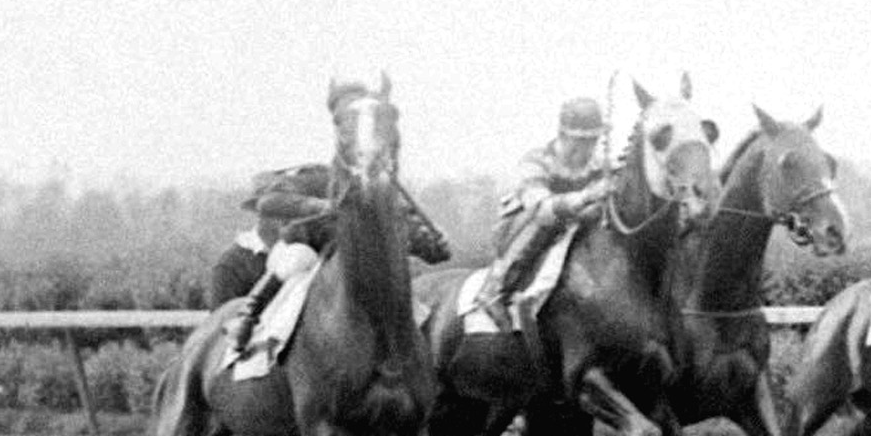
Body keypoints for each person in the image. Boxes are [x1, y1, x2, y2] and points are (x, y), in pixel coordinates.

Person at [218, 155, 450, 353]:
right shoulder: (311, 176)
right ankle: (248, 316)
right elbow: (269, 202)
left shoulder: (378, 187)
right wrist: (327, 206)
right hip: (306, 246)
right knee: (297, 259)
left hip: (352, 257)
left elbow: (406, 229)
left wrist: (432, 245)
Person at [477, 97, 615, 322]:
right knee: (540, 223)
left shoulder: (600, 165)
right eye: (579, 141)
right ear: (563, 135)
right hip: (525, 228)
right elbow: (541, 208)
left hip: (575, 225)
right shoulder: (535, 161)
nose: (586, 148)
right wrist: (587, 196)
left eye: (592, 141)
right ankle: (494, 290)